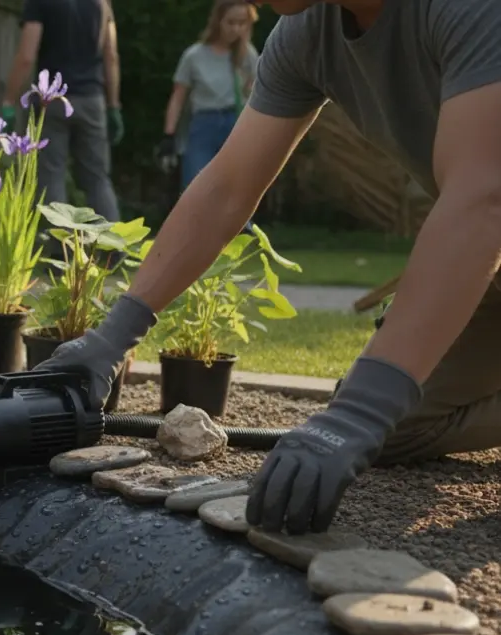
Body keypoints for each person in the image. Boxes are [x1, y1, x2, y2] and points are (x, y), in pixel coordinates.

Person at [33, 0, 501, 537]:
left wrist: (361, 409)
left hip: (487, 227)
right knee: (393, 428)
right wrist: (113, 336)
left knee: (369, 409)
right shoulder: (306, 33)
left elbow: (482, 198)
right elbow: (226, 189)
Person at [0, 0, 123, 222]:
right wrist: (113, 106)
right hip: (92, 101)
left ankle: (58, 247)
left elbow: (27, 57)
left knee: (51, 175)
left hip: (52, 102)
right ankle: (113, 249)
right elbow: (111, 55)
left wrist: (9, 101)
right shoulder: (100, 4)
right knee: (97, 179)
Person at [160, 0, 260, 191]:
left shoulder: (247, 55)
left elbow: (255, 95)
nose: (235, 29)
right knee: (196, 188)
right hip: (204, 125)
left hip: (236, 125)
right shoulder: (194, 55)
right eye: (230, 22)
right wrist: (169, 134)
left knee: (236, 191)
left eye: (242, 23)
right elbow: (178, 97)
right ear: (218, 21)